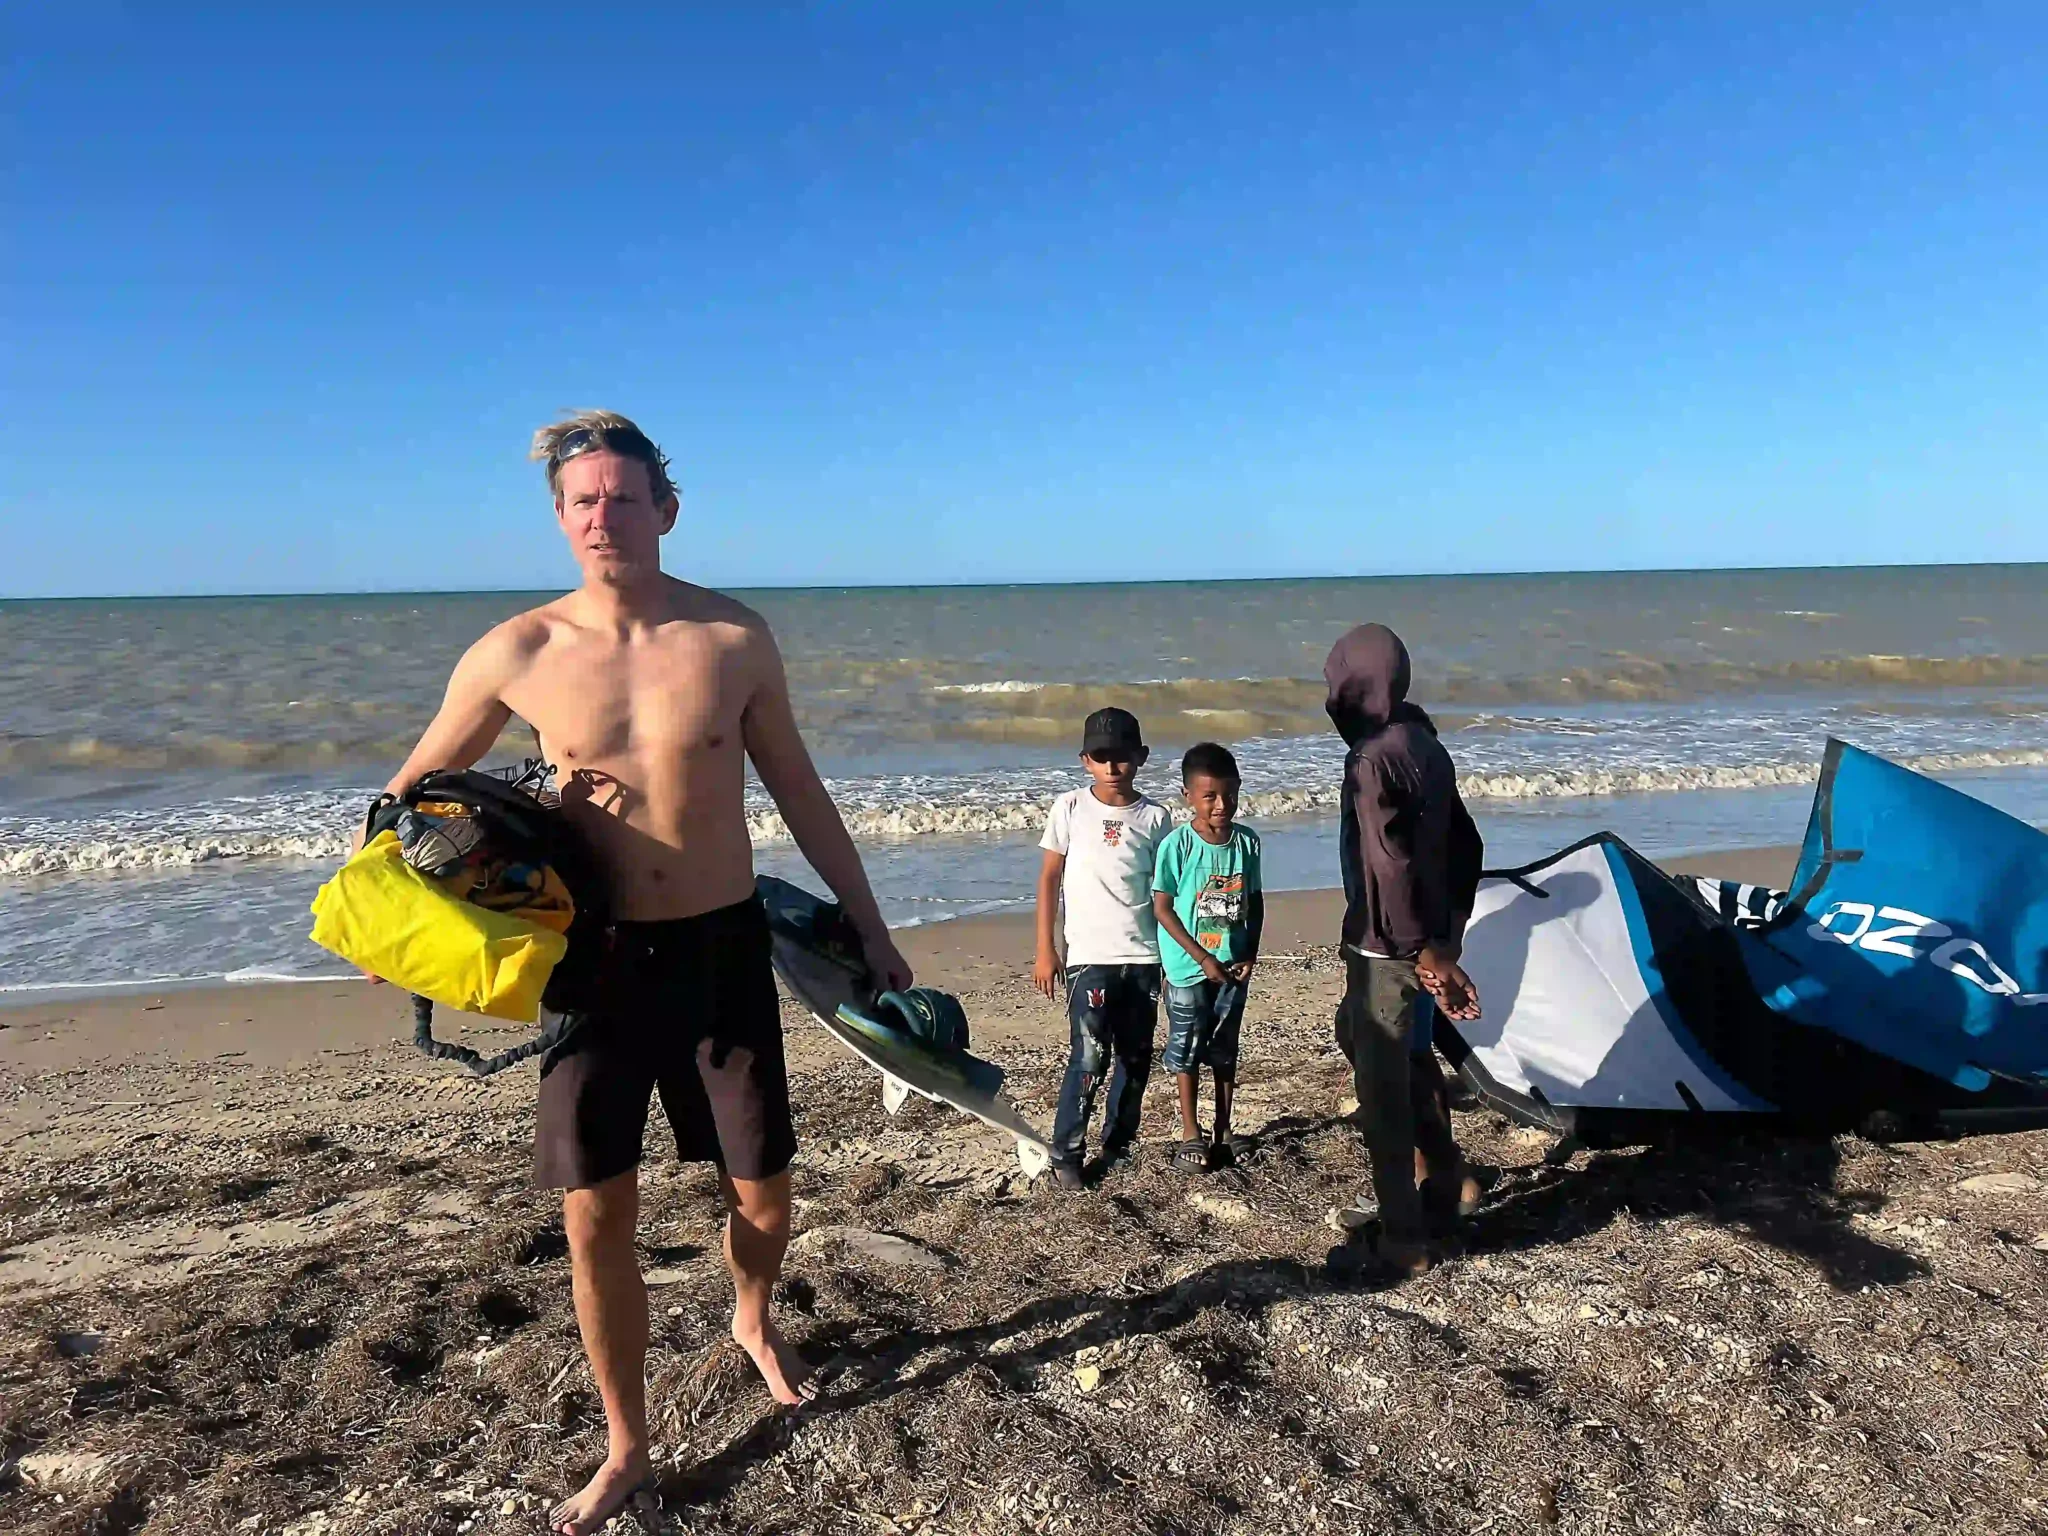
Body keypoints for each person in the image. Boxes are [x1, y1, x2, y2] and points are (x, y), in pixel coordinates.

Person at [365, 411, 912, 1536]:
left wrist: (873, 927)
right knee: (590, 1213)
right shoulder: (516, 651)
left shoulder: (731, 638)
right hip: (594, 964)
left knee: (761, 1190)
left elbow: (801, 794)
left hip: (720, 949)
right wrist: (399, 927)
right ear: (559, 518)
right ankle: (626, 1447)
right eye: (583, 502)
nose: (603, 517)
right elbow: (406, 800)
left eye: (623, 497)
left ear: (666, 506)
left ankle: (750, 1315)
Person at [1324, 623, 1484, 1277]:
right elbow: (1466, 846)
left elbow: (1386, 864)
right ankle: (1448, 1180)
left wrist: (1420, 950)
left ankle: (1403, 1239)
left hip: (1387, 948)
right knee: (1399, 1056)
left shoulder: (1368, 759)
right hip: (1422, 943)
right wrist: (1448, 939)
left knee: (1384, 1096)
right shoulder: (1426, 744)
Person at [1033, 707, 1175, 1188]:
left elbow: (1165, 890)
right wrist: (1045, 949)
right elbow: (1050, 878)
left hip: (1143, 957)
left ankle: (1118, 1147)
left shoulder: (1156, 817)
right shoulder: (1070, 807)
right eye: (1101, 758)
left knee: (1135, 1058)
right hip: (1088, 957)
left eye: (1122, 757)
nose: (1113, 768)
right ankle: (1066, 1156)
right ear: (1084, 761)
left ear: (1141, 757)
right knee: (1090, 1056)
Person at [1151, 742, 1264, 1172]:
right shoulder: (1177, 846)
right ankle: (1190, 1131)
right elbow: (1162, 908)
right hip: (1187, 969)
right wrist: (1201, 958)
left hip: (1233, 967)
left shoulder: (1247, 843)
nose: (1221, 805)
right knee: (1186, 1046)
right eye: (1210, 796)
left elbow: (1254, 900)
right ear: (1188, 797)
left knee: (1225, 1047)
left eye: (1229, 795)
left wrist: (1250, 952)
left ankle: (1223, 1128)